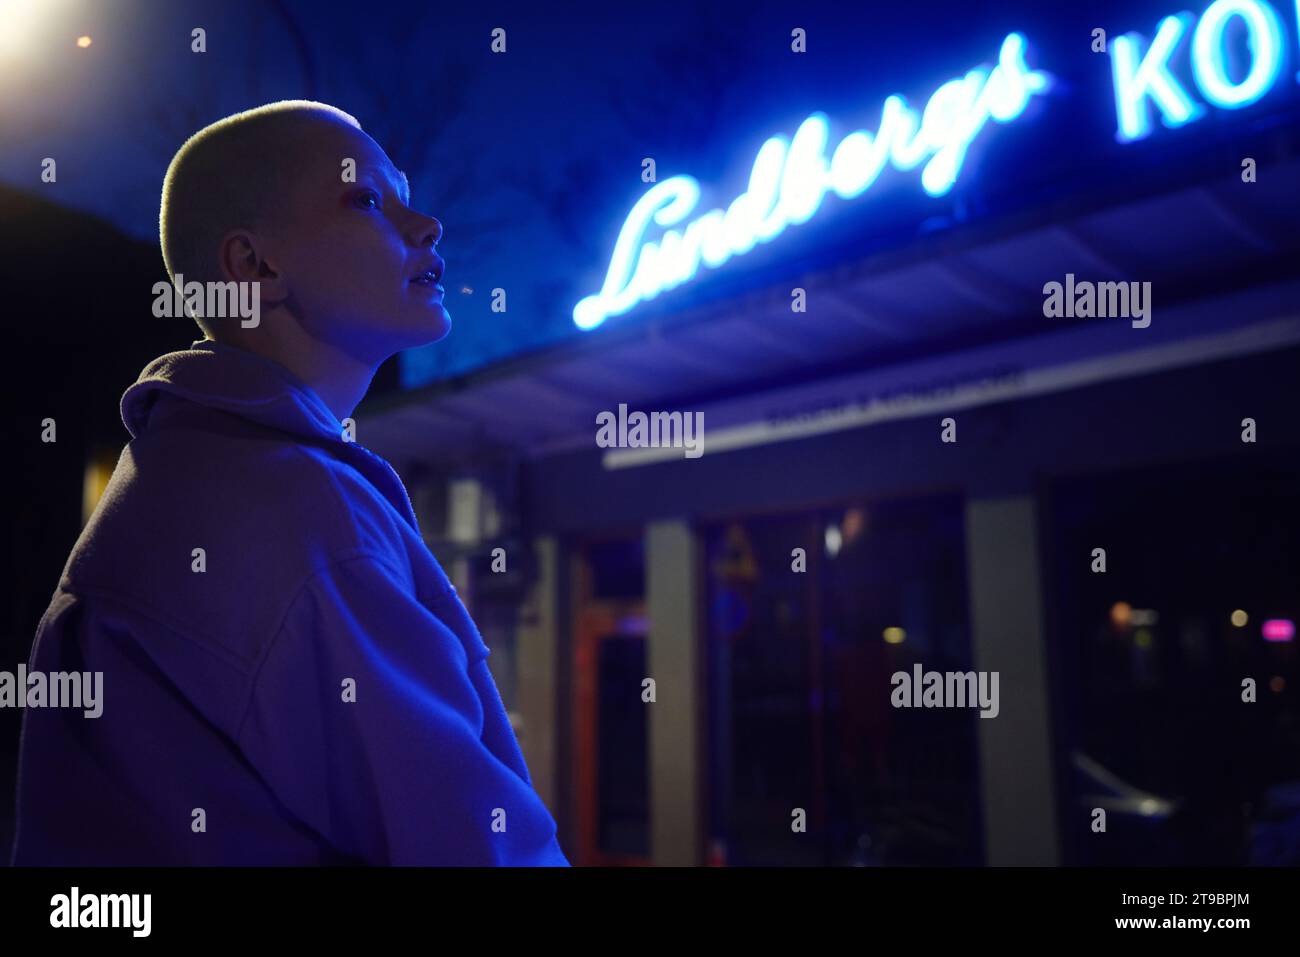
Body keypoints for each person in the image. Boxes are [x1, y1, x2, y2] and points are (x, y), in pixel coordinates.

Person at [9, 101, 569, 866]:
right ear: (255, 266)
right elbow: (477, 847)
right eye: (367, 199)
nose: (426, 224)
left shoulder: (187, 473)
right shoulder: (293, 507)